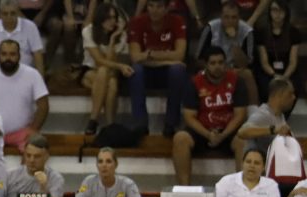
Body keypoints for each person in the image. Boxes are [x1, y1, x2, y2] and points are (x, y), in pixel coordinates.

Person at [171, 46, 247, 185]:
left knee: (243, 140)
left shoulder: (237, 81)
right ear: (206, 65)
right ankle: (185, 189)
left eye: (221, 62)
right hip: (202, 131)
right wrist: (208, 134)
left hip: (228, 131)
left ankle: (243, 188)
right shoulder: (194, 83)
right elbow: (189, 116)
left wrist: (222, 135)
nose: (217, 66)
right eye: (213, 63)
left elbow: (240, 114)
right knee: (180, 138)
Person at [0, 39, 48, 153]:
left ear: (19, 56)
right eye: (4, 54)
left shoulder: (33, 74)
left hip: (22, 133)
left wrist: (33, 129)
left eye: (12, 54)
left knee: (35, 149)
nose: (8, 58)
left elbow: (43, 106)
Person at [128, 0, 187, 138]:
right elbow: (135, 57)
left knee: (178, 70)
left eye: (159, 6)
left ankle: (171, 124)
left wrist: (148, 55)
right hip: (146, 73)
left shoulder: (177, 21)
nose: (154, 10)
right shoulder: (137, 22)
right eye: (151, 6)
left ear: (167, 8)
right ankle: (141, 124)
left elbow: (180, 55)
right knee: (135, 70)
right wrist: (167, 58)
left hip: (167, 74)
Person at [81, 3, 132, 135]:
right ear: (100, 18)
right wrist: (120, 66)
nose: (112, 21)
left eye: (114, 17)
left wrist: (113, 39)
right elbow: (99, 61)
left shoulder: (121, 36)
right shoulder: (88, 31)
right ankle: (109, 125)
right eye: (108, 18)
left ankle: (95, 121)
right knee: (105, 74)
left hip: (110, 72)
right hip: (89, 70)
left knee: (111, 81)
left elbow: (110, 61)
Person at [197, 2, 258, 105]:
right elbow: (198, 58)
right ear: (221, 17)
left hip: (234, 69)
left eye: (234, 17)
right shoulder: (211, 27)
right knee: (200, 74)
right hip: (212, 67)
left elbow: (245, 64)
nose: (230, 21)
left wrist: (234, 41)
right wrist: (215, 67)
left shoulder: (247, 31)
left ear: (239, 18)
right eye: (226, 17)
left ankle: (254, 110)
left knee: (248, 74)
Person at [0, 133, 64, 197]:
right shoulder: (8, 176)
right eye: (28, 155)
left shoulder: (55, 179)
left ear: (46, 157)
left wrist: (44, 188)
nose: (31, 160)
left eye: (37, 156)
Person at [0, 0, 44, 75]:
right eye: (5, 14)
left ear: (18, 12)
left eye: (13, 13)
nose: (9, 17)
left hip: (25, 75)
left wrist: (40, 79)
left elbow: (38, 55)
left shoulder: (30, 27)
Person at [235, 76, 295, 163]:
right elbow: (242, 132)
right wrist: (272, 130)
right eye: (290, 94)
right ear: (279, 94)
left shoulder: (280, 116)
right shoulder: (263, 114)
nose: (293, 97)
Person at [72, 146, 145, 197]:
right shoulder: (88, 182)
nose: (104, 165)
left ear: (116, 164)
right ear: (96, 165)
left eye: (108, 161)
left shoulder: (128, 184)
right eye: (100, 161)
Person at [255, 0, 297, 101]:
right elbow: (264, 62)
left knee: (292, 88)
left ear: (286, 12)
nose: (277, 14)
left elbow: (293, 62)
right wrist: (275, 75)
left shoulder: (293, 32)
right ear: (269, 12)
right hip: (268, 71)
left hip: (287, 70)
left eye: (281, 10)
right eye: (274, 10)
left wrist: (284, 77)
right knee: (266, 88)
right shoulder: (262, 32)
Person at [214, 147, 280, 197]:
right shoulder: (227, 181)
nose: (252, 166)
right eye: (248, 162)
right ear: (242, 164)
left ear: (263, 167)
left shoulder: (271, 185)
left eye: (256, 163)